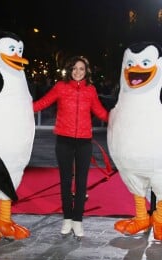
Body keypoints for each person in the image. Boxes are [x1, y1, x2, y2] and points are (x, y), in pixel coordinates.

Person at [33, 56, 109, 238]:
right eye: (74, 68)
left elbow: (100, 111)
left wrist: (119, 118)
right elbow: (43, 103)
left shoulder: (90, 90)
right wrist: (22, 108)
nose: (77, 72)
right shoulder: (60, 87)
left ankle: (78, 220)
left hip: (84, 142)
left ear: (86, 72)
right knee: (66, 181)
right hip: (64, 141)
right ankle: (67, 218)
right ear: (69, 70)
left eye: (81, 69)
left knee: (81, 182)